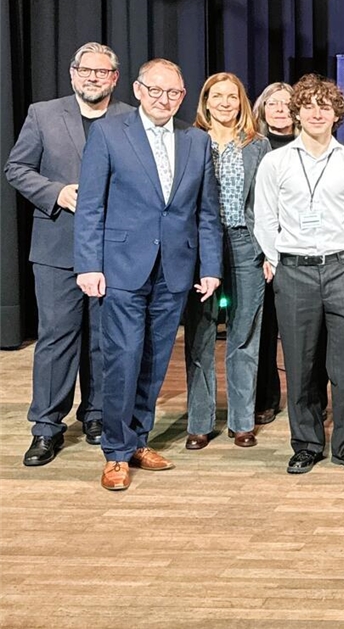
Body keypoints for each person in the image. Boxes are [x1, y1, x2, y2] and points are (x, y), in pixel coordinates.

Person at [74, 58, 223, 491]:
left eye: (173, 93)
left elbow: (207, 213)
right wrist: (88, 263)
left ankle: (138, 439)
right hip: (120, 268)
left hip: (174, 270)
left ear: (182, 96)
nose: (164, 100)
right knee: (122, 358)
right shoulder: (108, 133)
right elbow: (91, 207)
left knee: (156, 361)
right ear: (138, 90)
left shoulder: (196, 141)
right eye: (155, 91)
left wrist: (210, 266)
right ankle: (116, 453)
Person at [5, 42, 133, 466]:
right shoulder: (43, 113)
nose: (93, 77)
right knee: (57, 337)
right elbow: (17, 169)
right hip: (57, 246)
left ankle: (96, 415)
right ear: (73, 73)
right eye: (86, 70)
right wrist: (57, 192)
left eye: (103, 71)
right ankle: (46, 427)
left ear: (114, 78)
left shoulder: (130, 118)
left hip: (112, 248)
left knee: (103, 338)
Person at [253, 74, 344, 475]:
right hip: (295, 271)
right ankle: (306, 443)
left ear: (336, 113)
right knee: (302, 365)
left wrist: (339, 255)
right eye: (309, 106)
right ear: (297, 113)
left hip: (341, 269)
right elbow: (265, 217)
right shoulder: (276, 161)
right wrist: (279, 258)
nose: (317, 112)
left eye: (325, 106)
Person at [182, 73, 270, 450]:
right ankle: (200, 422)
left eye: (231, 96)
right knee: (200, 334)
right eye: (216, 96)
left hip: (244, 241)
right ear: (204, 101)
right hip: (202, 246)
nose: (224, 102)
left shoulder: (258, 144)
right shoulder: (187, 140)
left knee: (245, 334)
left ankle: (242, 421)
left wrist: (268, 250)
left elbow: (265, 203)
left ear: (241, 102)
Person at [250, 81, 296, 424]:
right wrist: (268, 253)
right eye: (273, 103)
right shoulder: (253, 147)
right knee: (263, 329)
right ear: (261, 109)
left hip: (302, 252)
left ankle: (308, 398)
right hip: (260, 252)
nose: (280, 109)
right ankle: (264, 396)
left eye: (287, 103)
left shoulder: (312, 145)